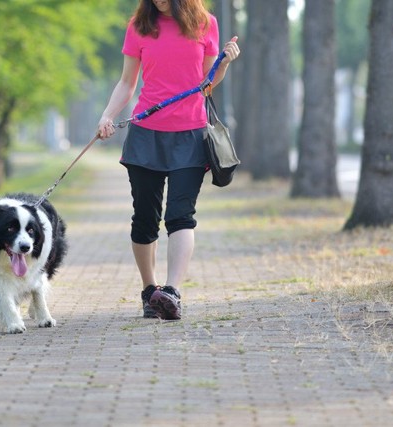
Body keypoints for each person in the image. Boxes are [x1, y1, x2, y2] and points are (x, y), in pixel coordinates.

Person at [96, 0, 240, 320]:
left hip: (190, 136)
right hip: (145, 134)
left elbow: (205, 84)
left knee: (180, 216)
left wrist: (225, 64)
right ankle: (150, 292)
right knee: (145, 218)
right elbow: (127, 82)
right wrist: (108, 116)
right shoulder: (139, 26)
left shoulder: (205, 24)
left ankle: (172, 292)